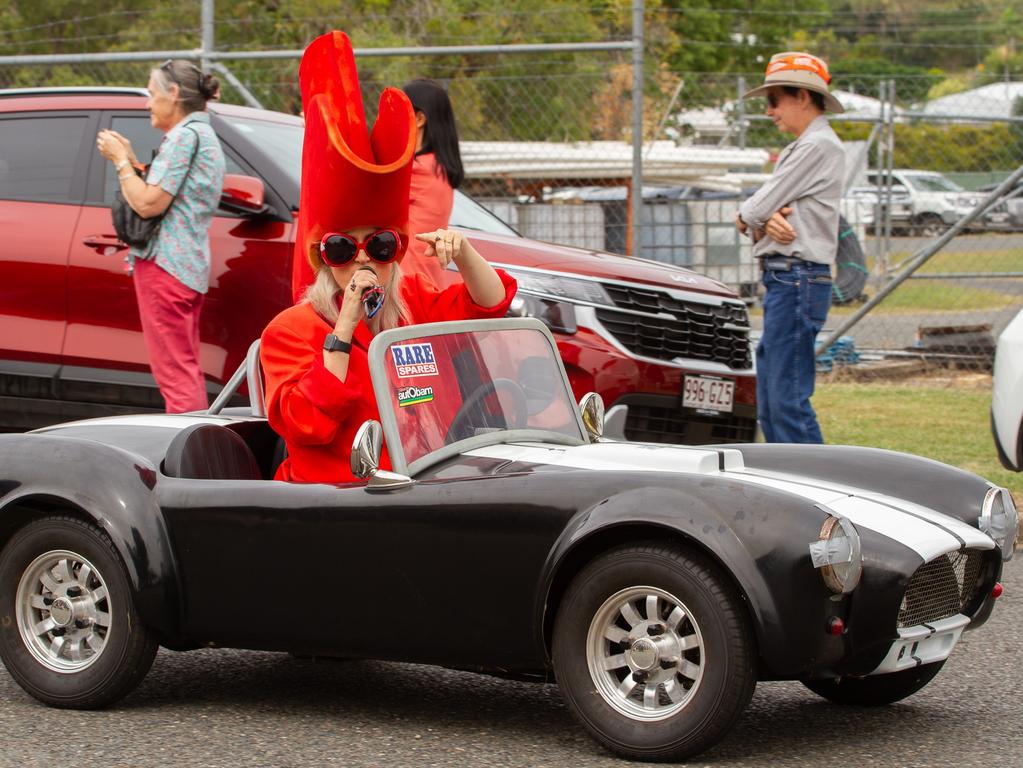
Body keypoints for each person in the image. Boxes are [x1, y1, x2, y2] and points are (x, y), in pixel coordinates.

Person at [261, 31, 517, 483]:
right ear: (324, 258)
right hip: (332, 499)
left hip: (423, 484)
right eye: (343, 248)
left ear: (396, 252)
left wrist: (466, 253)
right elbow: (305, 423)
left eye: (379, 245)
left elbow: (490, 305)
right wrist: (343, 329)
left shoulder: (413, 302)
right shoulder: (291, 330)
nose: (363, 260)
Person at [96, 59, 225, 413]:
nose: (148, 103)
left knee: (175, 374)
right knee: (184, 368)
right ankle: (193, 450)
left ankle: (185, 458)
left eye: (152, 94)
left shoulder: (184, 137)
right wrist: (134, 161)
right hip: (187, 265)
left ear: (173, 93)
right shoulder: (204, 135)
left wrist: (121, 162)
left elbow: (150, 203)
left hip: (165, 265)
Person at [735, 51, 845, 444]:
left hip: (797, 276)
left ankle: (820, 490)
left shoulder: (817, 147)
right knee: (771, 400)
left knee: (786, 400)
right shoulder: (805, 147)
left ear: (802, 96)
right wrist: (760, 216)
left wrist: (755, 215)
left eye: (774, 100)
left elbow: (757, 207)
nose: (769, 112)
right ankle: (794, 486)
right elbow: (760, 210)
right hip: (787, 279)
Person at [401, 78, 465, 286]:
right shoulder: (437, 166)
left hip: (408, 278)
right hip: (428, 276)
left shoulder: (417, 169)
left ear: (419, 119)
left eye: (400, 112)